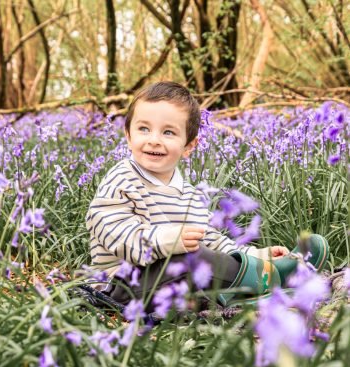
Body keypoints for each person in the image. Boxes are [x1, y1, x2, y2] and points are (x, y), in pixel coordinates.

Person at [86, 81, 329, 310]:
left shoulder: (188, 193)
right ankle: (272, 279)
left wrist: (252, 253)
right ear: (128, 136)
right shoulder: (121, 180)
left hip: (167, 284)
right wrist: (165, 241)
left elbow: (211, 239)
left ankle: (258, 274)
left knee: (200, 258)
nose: (154, 140)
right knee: (189, 261)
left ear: (189, 146)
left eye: (168, 132)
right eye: (143, 129)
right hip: (121, 285)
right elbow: (112, 232)